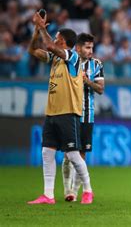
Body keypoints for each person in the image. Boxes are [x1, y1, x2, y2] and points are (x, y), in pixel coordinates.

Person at [27, 11, 94, 204]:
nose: (54, 40)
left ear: (63, 42)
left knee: (73, 155)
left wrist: (41, 28)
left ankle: (88, 190)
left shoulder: (72, 58)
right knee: (47, 152)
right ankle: (48, 194)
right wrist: (36, 31)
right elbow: (32, 51)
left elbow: (48, 44)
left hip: (68, 113)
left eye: (57, 38)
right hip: (52, 112)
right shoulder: (55, 59)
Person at [62, 33, 105, 202]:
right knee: (67, 154)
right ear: (78, 48)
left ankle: (75, 190)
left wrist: (86, 81)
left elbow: (100, 89)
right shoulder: (69, 62)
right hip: (69, 114)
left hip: (87, 115)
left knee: (82, 154)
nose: (90, 51)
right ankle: (67, 190)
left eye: (92, 47)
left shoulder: (96, 64)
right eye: (87, 47)